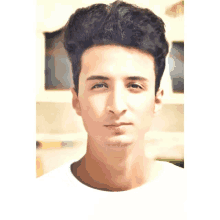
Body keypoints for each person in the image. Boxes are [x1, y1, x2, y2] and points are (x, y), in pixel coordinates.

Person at [36, 1, 186, 219]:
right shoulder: (36, 203)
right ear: (76, 100)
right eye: (99, 85)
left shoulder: (192, 199)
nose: (116, 106)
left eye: (135, 86)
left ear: (157, 100)